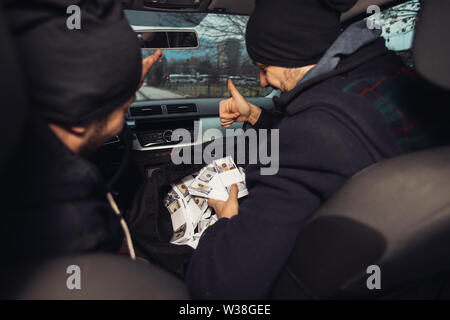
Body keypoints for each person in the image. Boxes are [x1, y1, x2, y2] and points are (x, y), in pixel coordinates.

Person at [186, 0, 450, 298]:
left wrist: (227, 221)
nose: (261, 83)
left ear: (289, 54)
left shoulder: (314, 136)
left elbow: (220, 288)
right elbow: (330, 140)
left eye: (263, 68)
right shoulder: (396, 82)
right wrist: (255, 116)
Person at [2, 0, 162, 261]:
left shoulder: (22, 156)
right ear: (80, 115)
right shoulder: (76, 225)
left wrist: (120, 81)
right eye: (124, 105)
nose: (127, 108)